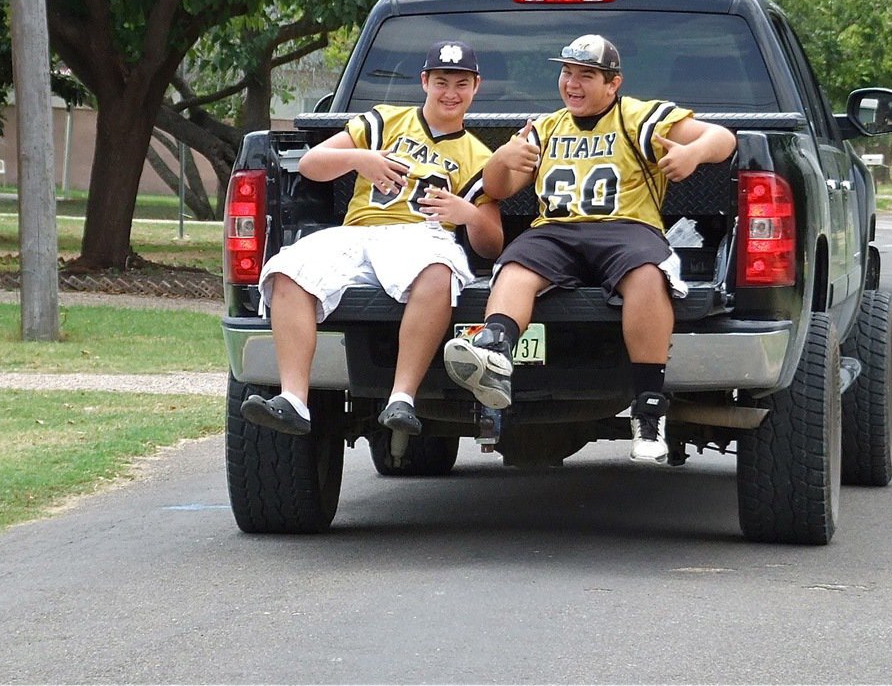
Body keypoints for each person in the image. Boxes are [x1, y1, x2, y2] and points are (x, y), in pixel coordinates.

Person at [442, 34, 736, 464]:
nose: (572, 84)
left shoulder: (639, 117)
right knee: (516, 265)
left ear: (613, 84)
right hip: (557, 231)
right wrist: (503, 158)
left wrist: (693, 153)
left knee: (647, 275)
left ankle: (649, 410)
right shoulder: (545, 127)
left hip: (626, 229)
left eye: (586, 75)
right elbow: (498, 189)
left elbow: (722, 138)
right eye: (566, 73)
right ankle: (494, 351)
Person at [242, 41, 503, 437]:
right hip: (357, 233)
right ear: (424, 81)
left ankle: (402, 398)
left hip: (420, 237)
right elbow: (310, 165)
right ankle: (293, 399)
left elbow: (492, 244)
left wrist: (466, 214)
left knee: (439, 271)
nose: (450, 93)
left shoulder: (478, 155)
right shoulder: (383, 120)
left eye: (461, 84)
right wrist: (359, 158)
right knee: (288, 269)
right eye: (441, 82)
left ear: (476, 86)